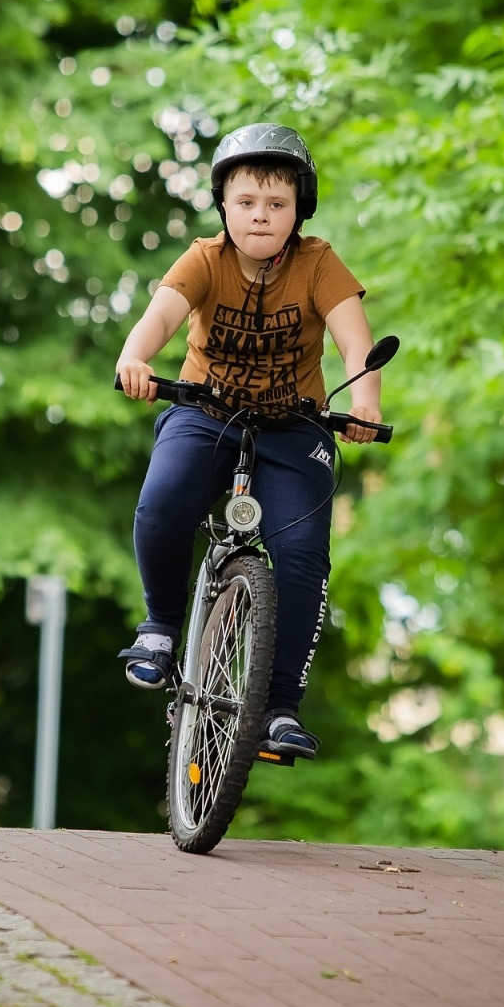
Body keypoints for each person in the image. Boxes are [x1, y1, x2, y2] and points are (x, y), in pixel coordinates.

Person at [112, 123, 385, 761]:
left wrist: (365, 400)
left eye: (276, 204)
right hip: (206, 411)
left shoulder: (319, 263)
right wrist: (135, 359)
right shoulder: (204, 260)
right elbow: (159, 319)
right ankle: (158, 629)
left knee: (301, 556)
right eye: (246, 202)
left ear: (299, 209)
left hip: (295, 426)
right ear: (224, 205)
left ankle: (280, 709)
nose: (261, 216)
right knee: (164, 500)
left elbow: (354, 341)